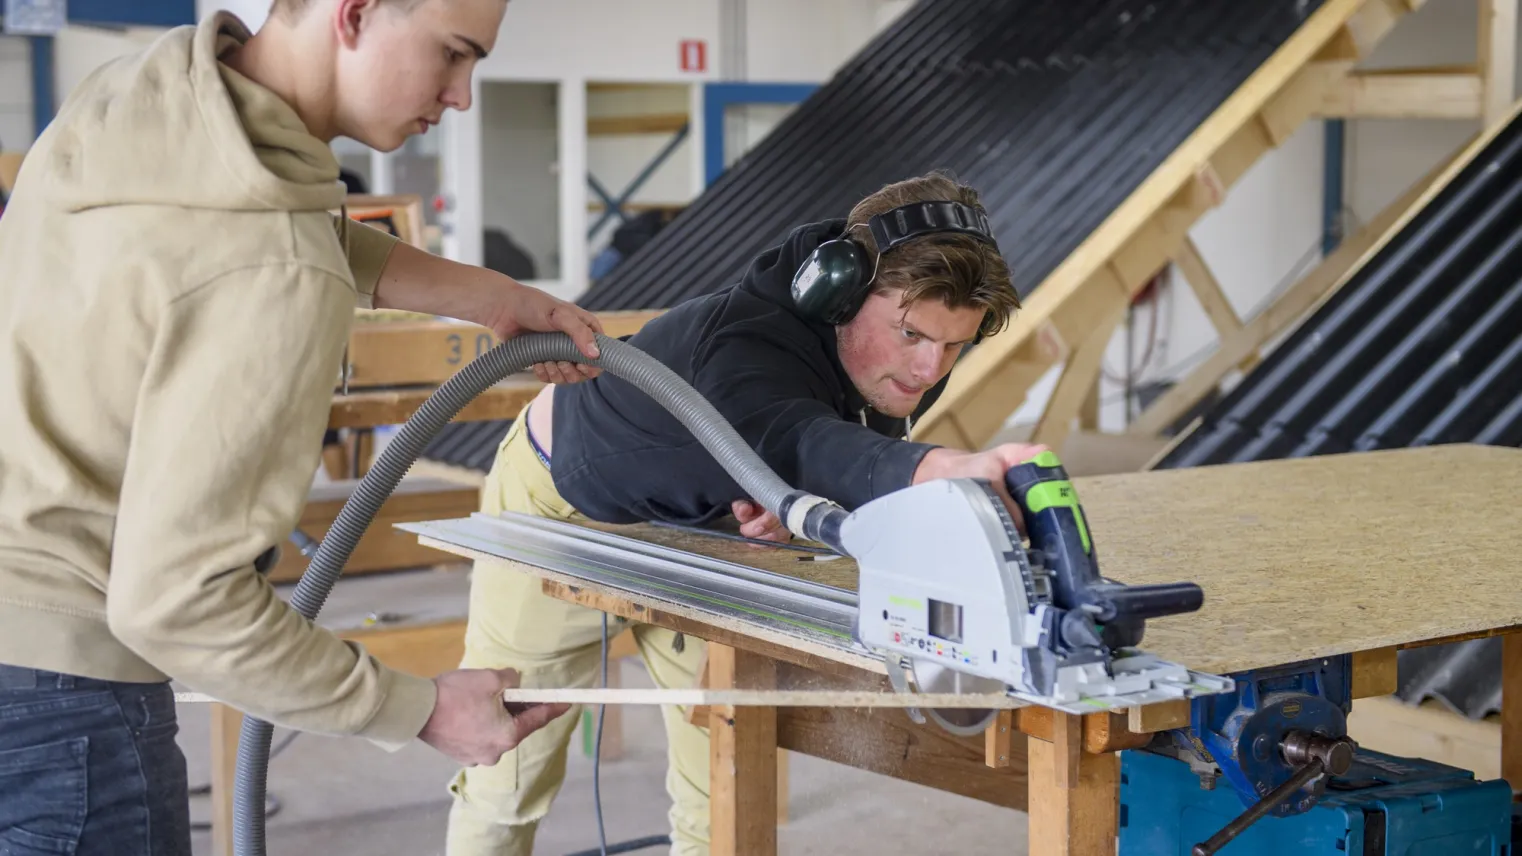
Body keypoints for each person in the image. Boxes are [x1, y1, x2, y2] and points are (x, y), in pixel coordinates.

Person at [0, 1, 595, 853]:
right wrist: (418, 708)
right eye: (454, 54)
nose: (462, 95)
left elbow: (264, 229)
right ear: (354, 14)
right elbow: (178, 604)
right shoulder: (276, 271)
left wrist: (494, 298)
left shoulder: (137, 102)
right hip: (66, 711)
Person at [446, 171, 1046, 854]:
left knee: (722, 775)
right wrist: (935, 468)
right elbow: (789, 432)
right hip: (561, 504)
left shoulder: (898, 359)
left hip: (692, 525)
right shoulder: (742, 342)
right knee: (507, 763)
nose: (928, 369)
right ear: (838, 293)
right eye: (910, 335)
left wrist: (782, 509)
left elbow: (822, 453)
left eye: (953, 345)